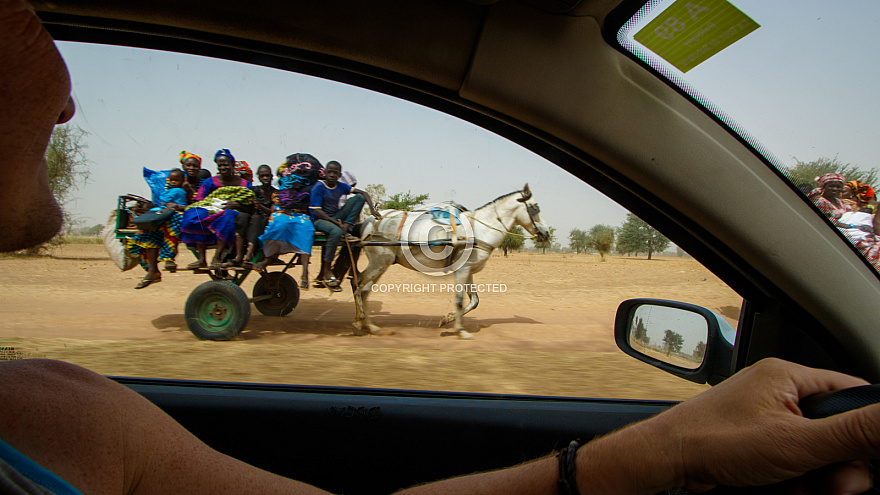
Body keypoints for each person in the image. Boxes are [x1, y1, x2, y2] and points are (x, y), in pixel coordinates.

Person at [4, 2, 880, 493]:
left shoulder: (61, 413)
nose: (72, 100)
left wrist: (671, 449)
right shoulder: (58, 414)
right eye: (30, 22)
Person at [126, 156, 200, 288]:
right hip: (169, 213)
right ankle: (153, 270)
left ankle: (168, 258)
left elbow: (200, 203)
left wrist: (180, 206)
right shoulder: (172, 182)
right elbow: (164, 199)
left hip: (189, 214)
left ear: (199, 168)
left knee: (172, 221)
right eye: (188, 165)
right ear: (184, 167)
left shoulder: (202, 182)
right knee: (150, 229)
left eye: (195, 166)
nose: (191, 168)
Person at [309, 160, 381, 290]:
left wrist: (372, 209)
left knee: (358, 198)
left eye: (335, 173)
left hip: (335, 218)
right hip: (320, 220)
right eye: (329, 172)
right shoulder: (319, 187)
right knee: (336, 232)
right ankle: (326, 270)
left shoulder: (340, 186)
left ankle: (347, 227)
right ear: (324, 173)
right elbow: (316, 211)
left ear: (339, 175)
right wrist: (336, 223)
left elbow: (363, 194)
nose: (332, 175)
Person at [180, 149, 254, 269]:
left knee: (227, 215)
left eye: (226, 165)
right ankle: (202, 259)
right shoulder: (210, 182)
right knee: (196, 214)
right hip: (212, 209)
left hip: (234, 213)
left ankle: (217, 256)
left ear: (232, 165)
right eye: (220, 165)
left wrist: (236, 205)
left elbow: (251, 204)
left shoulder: (245, 184)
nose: (223, 167)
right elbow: (201, 200)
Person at [254, 162, 319, 287]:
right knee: (278, 224)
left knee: (306, 228)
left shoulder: (308, 186)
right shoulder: (281, 186)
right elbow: (276, 203)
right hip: (282, 212)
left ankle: (305, 272)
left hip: (300, 215)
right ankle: (268, 259)